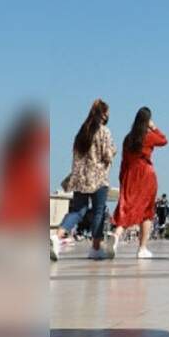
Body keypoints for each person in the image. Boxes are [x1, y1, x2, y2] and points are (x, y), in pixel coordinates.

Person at [51, 99, 115, 261]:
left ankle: (57, 237)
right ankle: (95, 248)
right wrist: (113, 151)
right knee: (99, 211)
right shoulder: (104, 131)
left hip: (80, 177)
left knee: (77, 211)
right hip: (98, 177)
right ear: (103, 114)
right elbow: (107, 155)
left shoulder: (82, 132)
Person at [105, 107, 167, 259]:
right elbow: (164, 140)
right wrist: (154, 127)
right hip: (146, 173)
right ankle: (142, 248)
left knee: (128, 206)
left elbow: (124, 161)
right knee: (147, 211)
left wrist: (122, 178)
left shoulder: (128, 138)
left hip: (130, 173)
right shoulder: (148, 135)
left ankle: (117, 235)